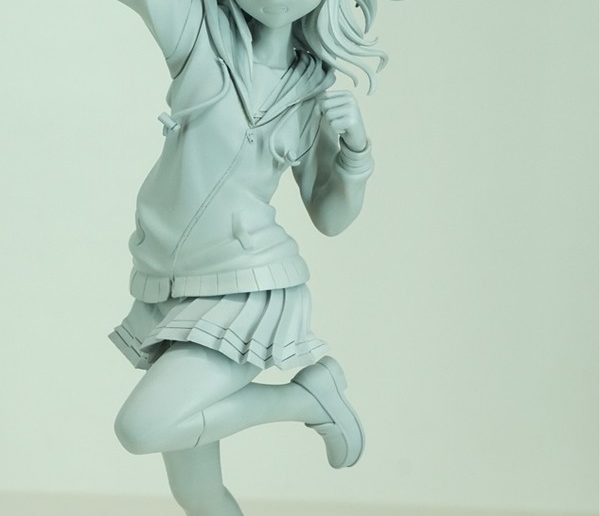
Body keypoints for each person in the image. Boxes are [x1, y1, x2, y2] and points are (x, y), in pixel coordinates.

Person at [109, 0, 388, 514]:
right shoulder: (199, 37)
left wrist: (356, 152)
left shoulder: (310, 95)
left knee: (142, 427)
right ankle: (312, 397)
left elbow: (330, 215)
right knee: (197, 493)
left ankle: (306, 400)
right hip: (173, 290)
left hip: (247, 292)